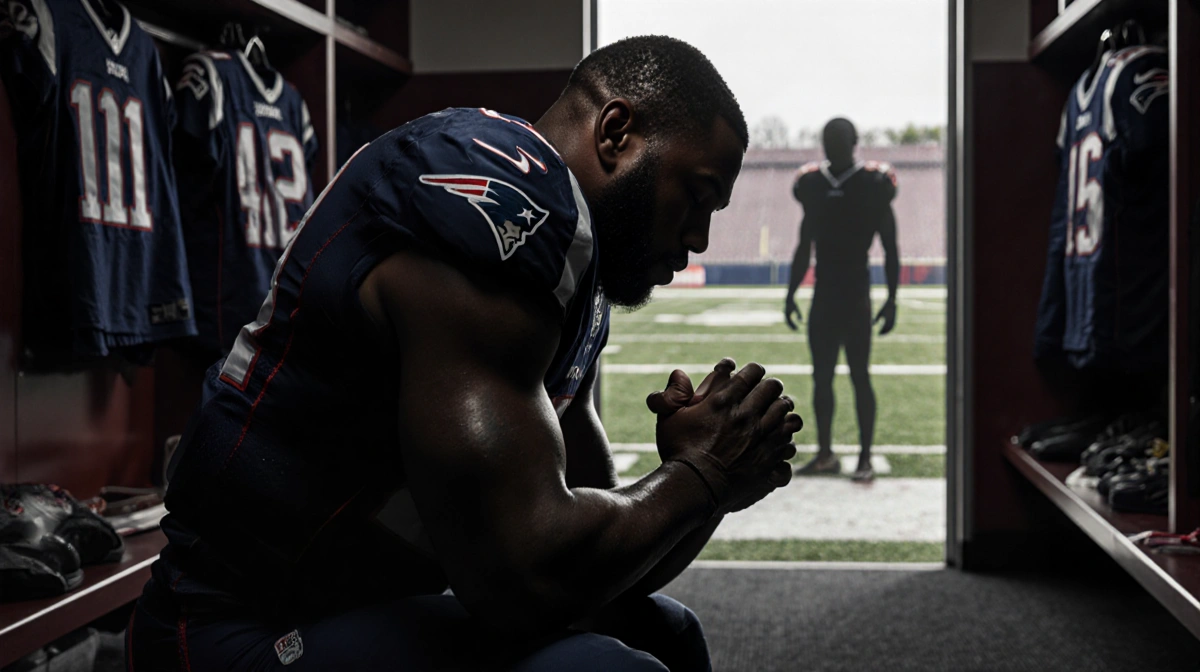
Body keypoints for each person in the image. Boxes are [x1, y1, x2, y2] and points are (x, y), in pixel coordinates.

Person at [128, 36, 803, 671]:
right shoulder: (500, 195)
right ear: (616, 133)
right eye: (698, 194)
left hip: (363, 605)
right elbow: (525, 576)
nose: (701, 237)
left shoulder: (570, 280)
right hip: (234, 627)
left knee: (667, 631)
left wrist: (700, 478)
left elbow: (593, 573)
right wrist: (705, 472)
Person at [783, 117, 898, 482]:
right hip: (826, 289)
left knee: (860, 376)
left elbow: (892, 247)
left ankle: (864, 456)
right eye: (828, 138)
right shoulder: (813, 184)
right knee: (822, 377)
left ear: (854, 141)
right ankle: (826, 453)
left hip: (855, 291)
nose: (832, 144)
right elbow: (804, 245)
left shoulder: (873, 183)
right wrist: (790, 294)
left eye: (839, 138)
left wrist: (893, 298)